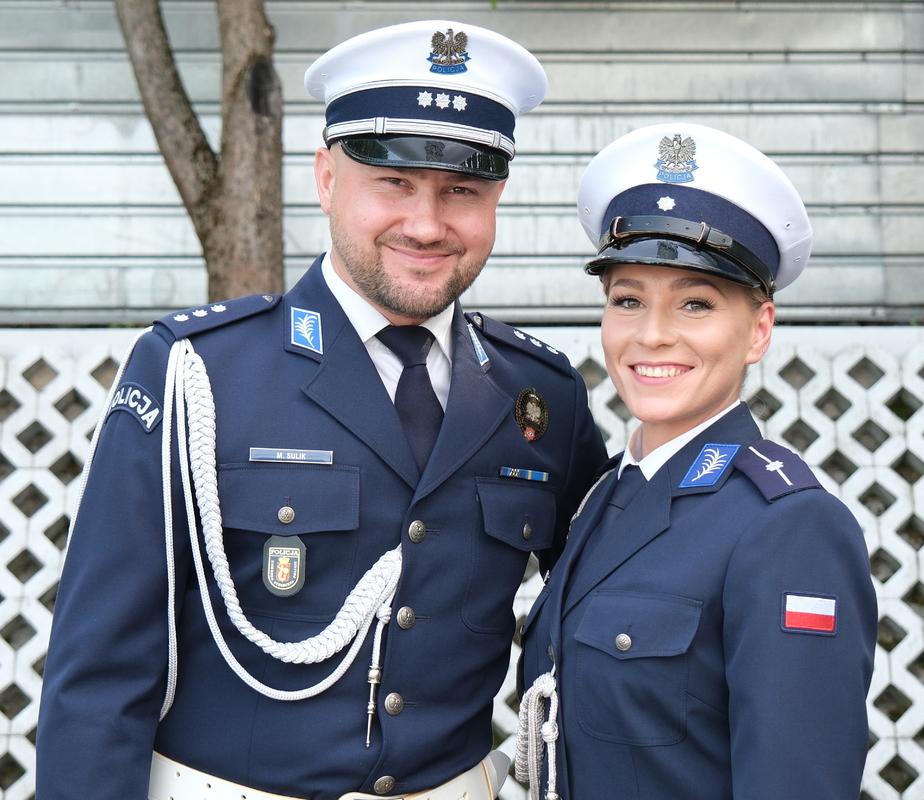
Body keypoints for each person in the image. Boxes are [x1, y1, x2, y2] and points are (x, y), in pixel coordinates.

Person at [35, 20, 607, 800]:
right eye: (393, 182)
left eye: (461, 191)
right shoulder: (197, 373)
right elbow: (98, 678)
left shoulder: (542, 397)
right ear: (327, 178)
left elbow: (600, 607)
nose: (427, 225)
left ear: (496, 198)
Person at [515, 123, 877, 800]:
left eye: (695, 303)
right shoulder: (601, 497)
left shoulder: (788, 528)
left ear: (758, 331)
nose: (652, 334)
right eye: (628, 300)